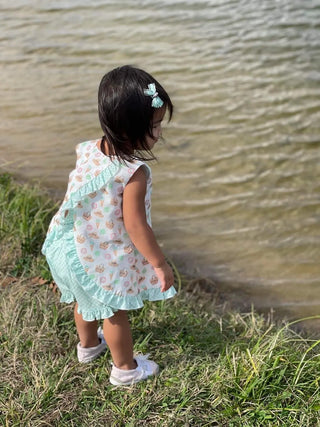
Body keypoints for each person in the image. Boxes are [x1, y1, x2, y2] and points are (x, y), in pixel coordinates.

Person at [42, 65, 177, 386]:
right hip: (98, 260)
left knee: (84, 300)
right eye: (155, 126)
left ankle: (88, 347)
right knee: (114, 313)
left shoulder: (88, 149)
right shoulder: (134, 172)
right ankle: (126, 370)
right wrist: (159, 263)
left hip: (69, 246)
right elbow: (135, 225)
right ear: (130, 129)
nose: (160, 133)